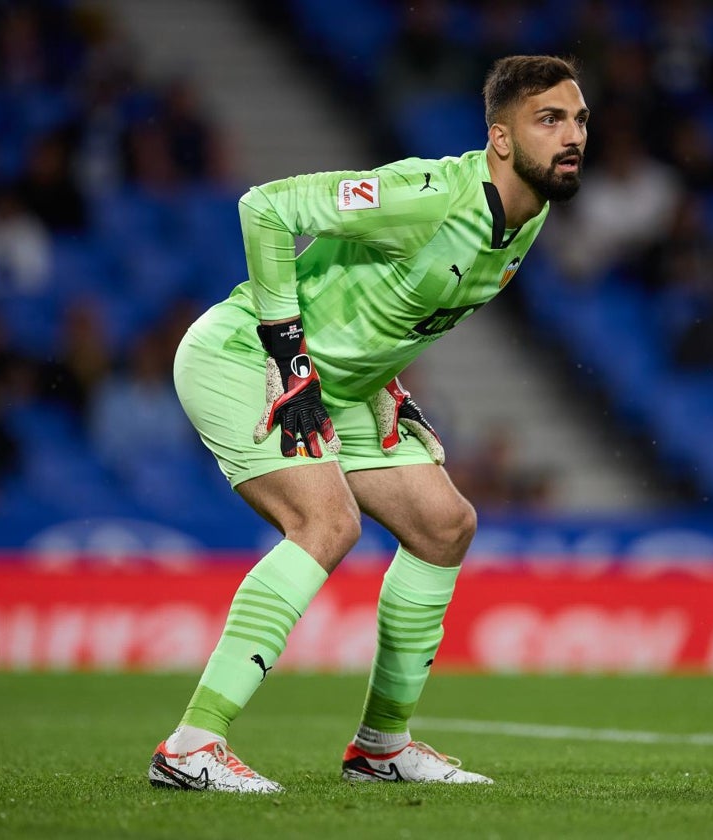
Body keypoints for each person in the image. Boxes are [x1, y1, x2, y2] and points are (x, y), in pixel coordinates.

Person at [148, 55, 589, 793]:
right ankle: (192, 744)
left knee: (444, 524)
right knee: (328, 523)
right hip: (244, 357)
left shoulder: (531, 213)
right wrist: (291, 361)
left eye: (579, 119)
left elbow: (391, 304)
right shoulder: (427, 195)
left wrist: (386, 381)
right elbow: (266, 207)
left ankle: (381, 748)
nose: (572, 135)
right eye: (550, 119)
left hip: (339, 384)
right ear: (501, 140)